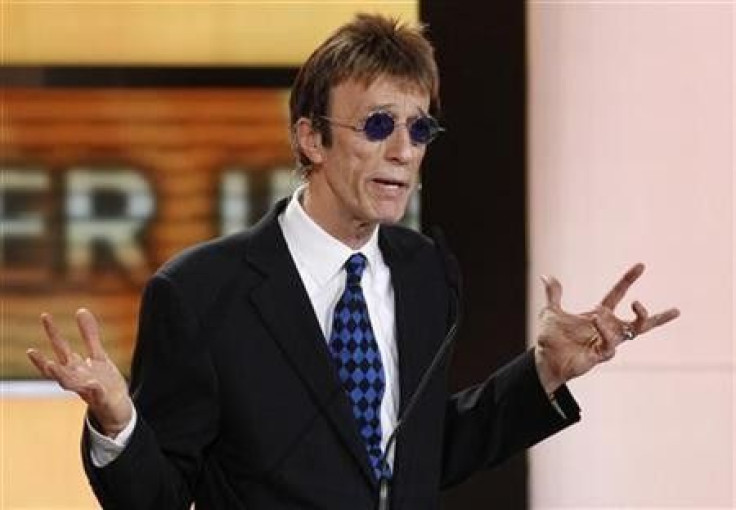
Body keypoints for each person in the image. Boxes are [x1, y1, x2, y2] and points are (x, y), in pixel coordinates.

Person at [26, 14, 679, 510]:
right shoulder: (200, 292)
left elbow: (416, 456)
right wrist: (118, 421)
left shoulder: (427, 271)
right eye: (377, 125)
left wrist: (544, 372)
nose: (403, 150)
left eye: (420, 129)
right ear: (310, 137)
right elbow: (161, 496)